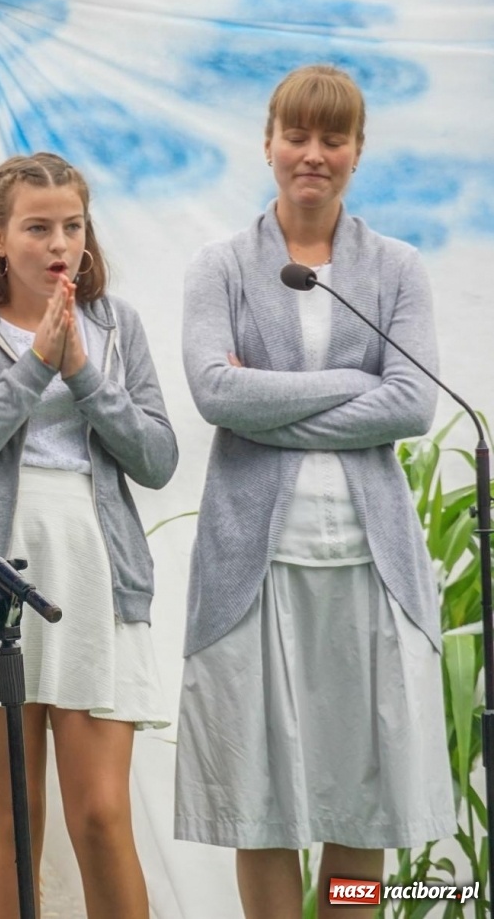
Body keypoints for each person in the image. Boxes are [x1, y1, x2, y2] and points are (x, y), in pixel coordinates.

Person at [175, 65, 455, 916]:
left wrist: (269, 403)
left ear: (357, 152)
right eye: (296, 135)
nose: (312, 154)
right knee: (260, 801)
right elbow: (214, 391)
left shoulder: (397, 268)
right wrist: (354, 383)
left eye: (333, 139)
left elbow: (411, 403)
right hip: (253, 570)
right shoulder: (221, 266)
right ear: (268, 143)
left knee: (361, 796)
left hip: (368, 565)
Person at [0, 153, 175, 918]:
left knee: (101, 813)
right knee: (14, 820)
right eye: (38, 227)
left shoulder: (116, 325)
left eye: (73, 225)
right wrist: (36, 366)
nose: (60, 243)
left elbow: (158, 458)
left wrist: (86, 374)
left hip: (97, 570)